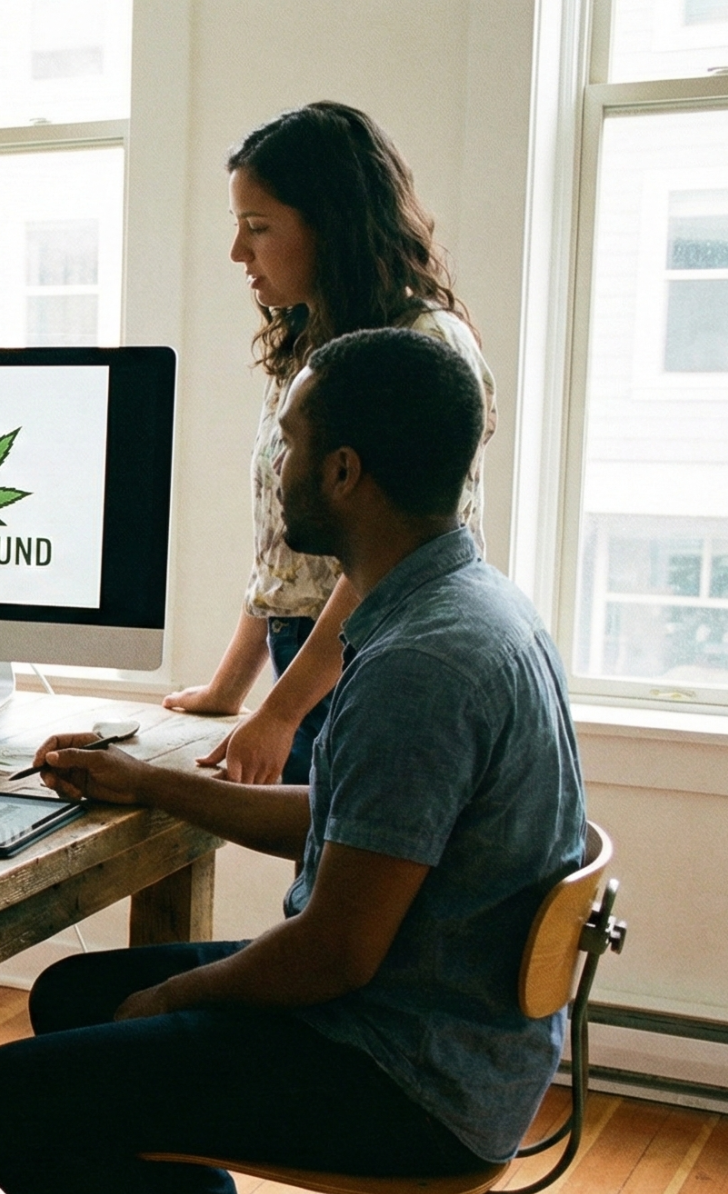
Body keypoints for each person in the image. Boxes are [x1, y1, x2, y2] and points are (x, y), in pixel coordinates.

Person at [0, 328, 586, 1194]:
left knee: (8, 1100)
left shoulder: (420, 665)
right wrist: (155, 783)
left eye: (287, 443)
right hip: (456, 1024)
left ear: (344, 472)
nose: (273, 467)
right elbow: (358, 824)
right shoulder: (465, 603)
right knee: (72, 994)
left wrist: (175, 994)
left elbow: (334, 951)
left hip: (406, 1069)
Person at [164, 101, 494, 787]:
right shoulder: (310, 339)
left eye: (258, 228)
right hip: (309, 657)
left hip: (370, 661)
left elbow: (389, 563)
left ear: (333, 227)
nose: (238, 253)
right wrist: (232, 688)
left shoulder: (422, 348)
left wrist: (281, 713)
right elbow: (285, 554)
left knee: (333, 883)